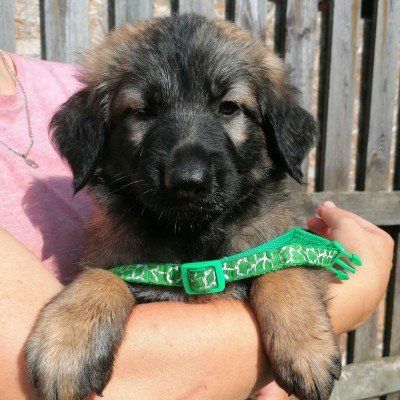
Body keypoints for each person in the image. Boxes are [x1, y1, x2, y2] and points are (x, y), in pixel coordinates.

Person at [0, 51, 394, 400]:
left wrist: (283, 283)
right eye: (143, 112)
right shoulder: (112, 244)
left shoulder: (53, 80)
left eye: (228, 107)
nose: (188, 173)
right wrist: (360, 288)